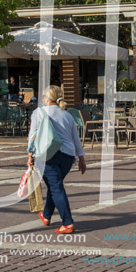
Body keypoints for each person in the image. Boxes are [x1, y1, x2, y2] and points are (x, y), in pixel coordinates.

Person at [27, 85, 87, 234]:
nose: (42, 99)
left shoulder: (38, 113)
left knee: (56, 188)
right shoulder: (67, 115)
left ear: (47, 98)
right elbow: (75, 138)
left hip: (48, 154)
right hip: (68, 156)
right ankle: (46, 216)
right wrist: (81, 159)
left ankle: (67, 222)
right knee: (55, 186)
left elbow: (32, 136)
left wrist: (29, 155)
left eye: (43, 96)